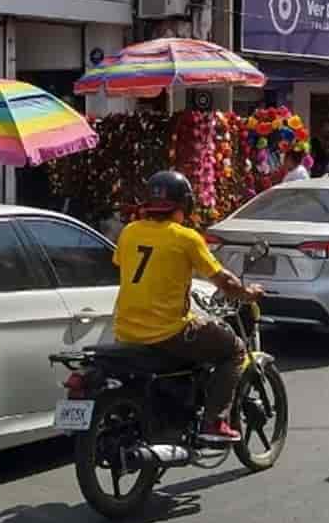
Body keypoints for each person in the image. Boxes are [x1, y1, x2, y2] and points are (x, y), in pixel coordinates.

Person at [113, 171, 264, 442]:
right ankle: (214, 422)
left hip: (125, 331)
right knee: (234, 350)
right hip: (168, 331)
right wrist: (249, 294)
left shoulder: (129, 232)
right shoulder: (186, 237)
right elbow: (225, 281)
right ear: (185, 204)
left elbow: (132, 269)